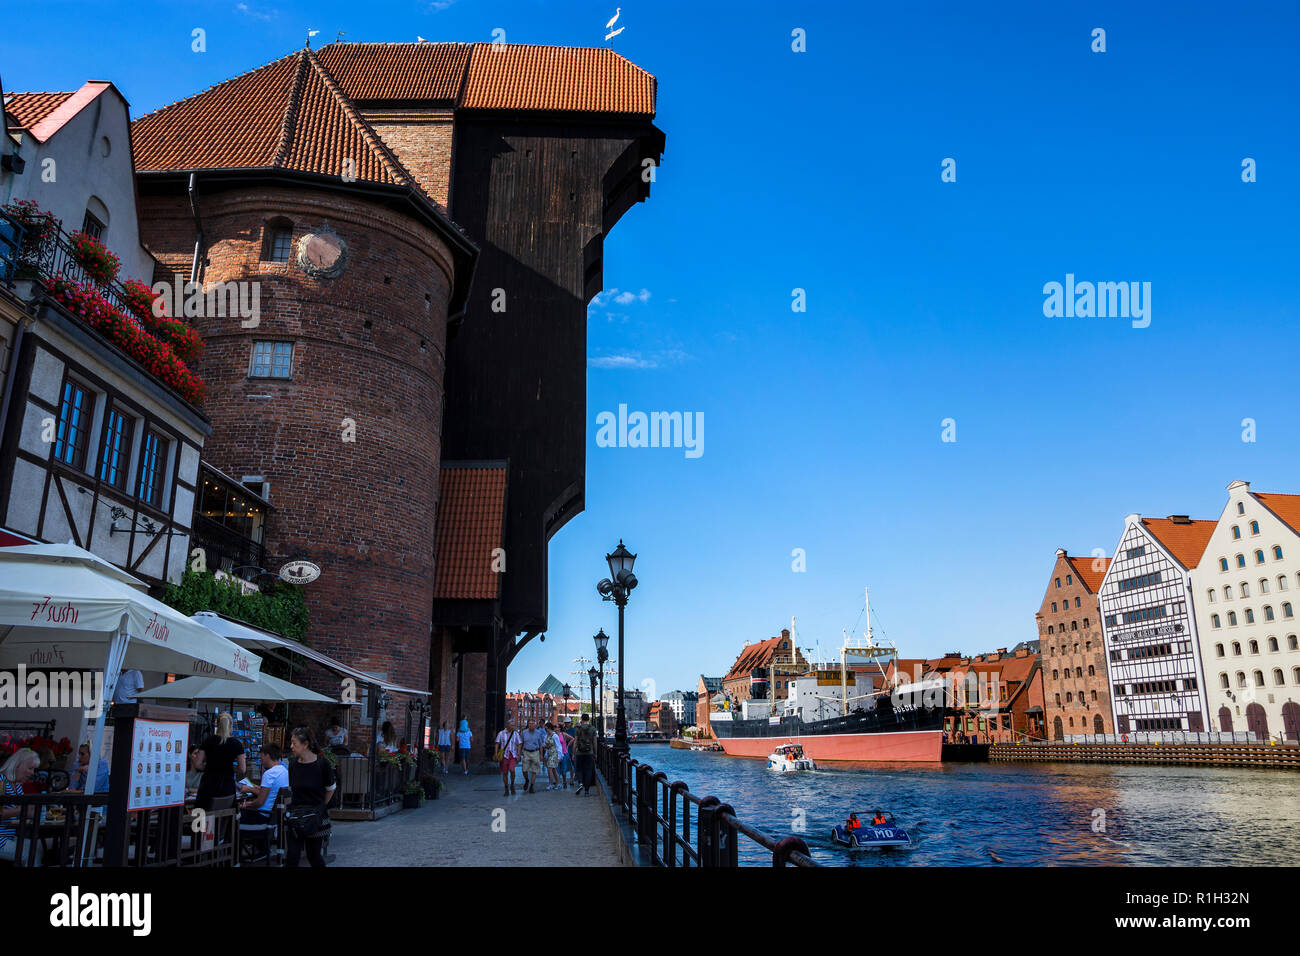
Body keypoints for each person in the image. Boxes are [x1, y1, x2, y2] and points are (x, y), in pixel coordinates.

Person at [285, 727, 336, 868]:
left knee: (313, 855)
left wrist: (320, 806)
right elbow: (291, 789)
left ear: (305, 744)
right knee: (292, 856)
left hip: (314, 817)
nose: (291, 747)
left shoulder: (322, 764)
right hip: (296, 815)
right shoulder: (293, 765)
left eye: (294, 743)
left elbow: (331, 788)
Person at [196, 713, 246, 811]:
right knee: (226, 817)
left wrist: (209, 767)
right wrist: (230, 768)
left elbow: (198, 764)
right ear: (231, 725)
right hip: (227, 786)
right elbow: (242, 769)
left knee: (202, 817)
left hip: (208, 785)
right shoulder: (237, 744)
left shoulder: (208, 741)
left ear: (216, 724)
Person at [0, 749, 41, 863]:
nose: (32, 773)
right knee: (30, 854)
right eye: (30, 768)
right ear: (18, 765)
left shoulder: (17, 785)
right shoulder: (1, 781)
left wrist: (29, 813)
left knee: (37, 848)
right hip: (1, 839)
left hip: (10, 836)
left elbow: (19, 813)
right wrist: (22, 811)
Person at [237, 743, 287, 825]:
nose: (261, 760)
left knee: (233, 817)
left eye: (262, 757)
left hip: (262, 816)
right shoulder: (284, 771)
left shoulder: (269, 774)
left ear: (267, 756)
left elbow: (259, 802)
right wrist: (259, 788)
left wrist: (247, 804)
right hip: (274, 816)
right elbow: (272, 791)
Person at [518, 718, 547, 794]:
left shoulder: (538, 733)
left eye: (532, 724)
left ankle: (531, 786)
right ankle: (527, 780)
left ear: (535, 725)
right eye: (530, 723)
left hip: (535, 752)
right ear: (527, 724)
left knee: (534, 770)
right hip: (526, 752)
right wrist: (519, 754)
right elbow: (521, 744)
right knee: (524, 769)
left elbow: (540, 744)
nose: (531, 725)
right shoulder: (523, 733)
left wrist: (541, 755)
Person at [572, 713, 597, 795]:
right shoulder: (592, 728)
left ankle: (580, 783)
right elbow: (594, 742)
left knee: (579, 769)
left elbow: (575, 741)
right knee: (588, 770)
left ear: (581, 719)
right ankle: (587, 791)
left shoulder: (578, 729)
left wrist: (573, 752)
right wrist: (595, 753)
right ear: (588, 719)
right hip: (589, 752)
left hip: (579, 752)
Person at [495, 720, 521, 796]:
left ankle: (512, 784)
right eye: (512, 725)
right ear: (508, 725)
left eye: (513, 725)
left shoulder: (515, 734)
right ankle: (506, 788)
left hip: (512, 755)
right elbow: (497, 743)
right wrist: (496, 753)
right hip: (504, 756)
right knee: (505, 773)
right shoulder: (501, 733)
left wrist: (518, 754)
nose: (513, 727)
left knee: (512, 770)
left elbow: (519, 743)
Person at [557, 722, 574, 790]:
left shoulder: (563, 734)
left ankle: (564, 781)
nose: (556, 728)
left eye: (557, 727)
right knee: (557, 769)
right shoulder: (554, 735)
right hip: (557, 754)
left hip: (564, 753)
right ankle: (558, 782)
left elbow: (572, 739)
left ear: (560, 729)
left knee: (564, 769)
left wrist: (567, 745)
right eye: (555, 728)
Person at [543, 722, 560, 790]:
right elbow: (545, 745)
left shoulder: (554, 736)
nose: (546, 730)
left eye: (546, 728)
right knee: (553, 769)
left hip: (554, 754)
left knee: (549, 768)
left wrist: (559, 756)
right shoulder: (546, 736)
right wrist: (546, 747)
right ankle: (558, 783)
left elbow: (558, 746)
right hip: (549, 753)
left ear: (549, 728)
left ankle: (551, 784)